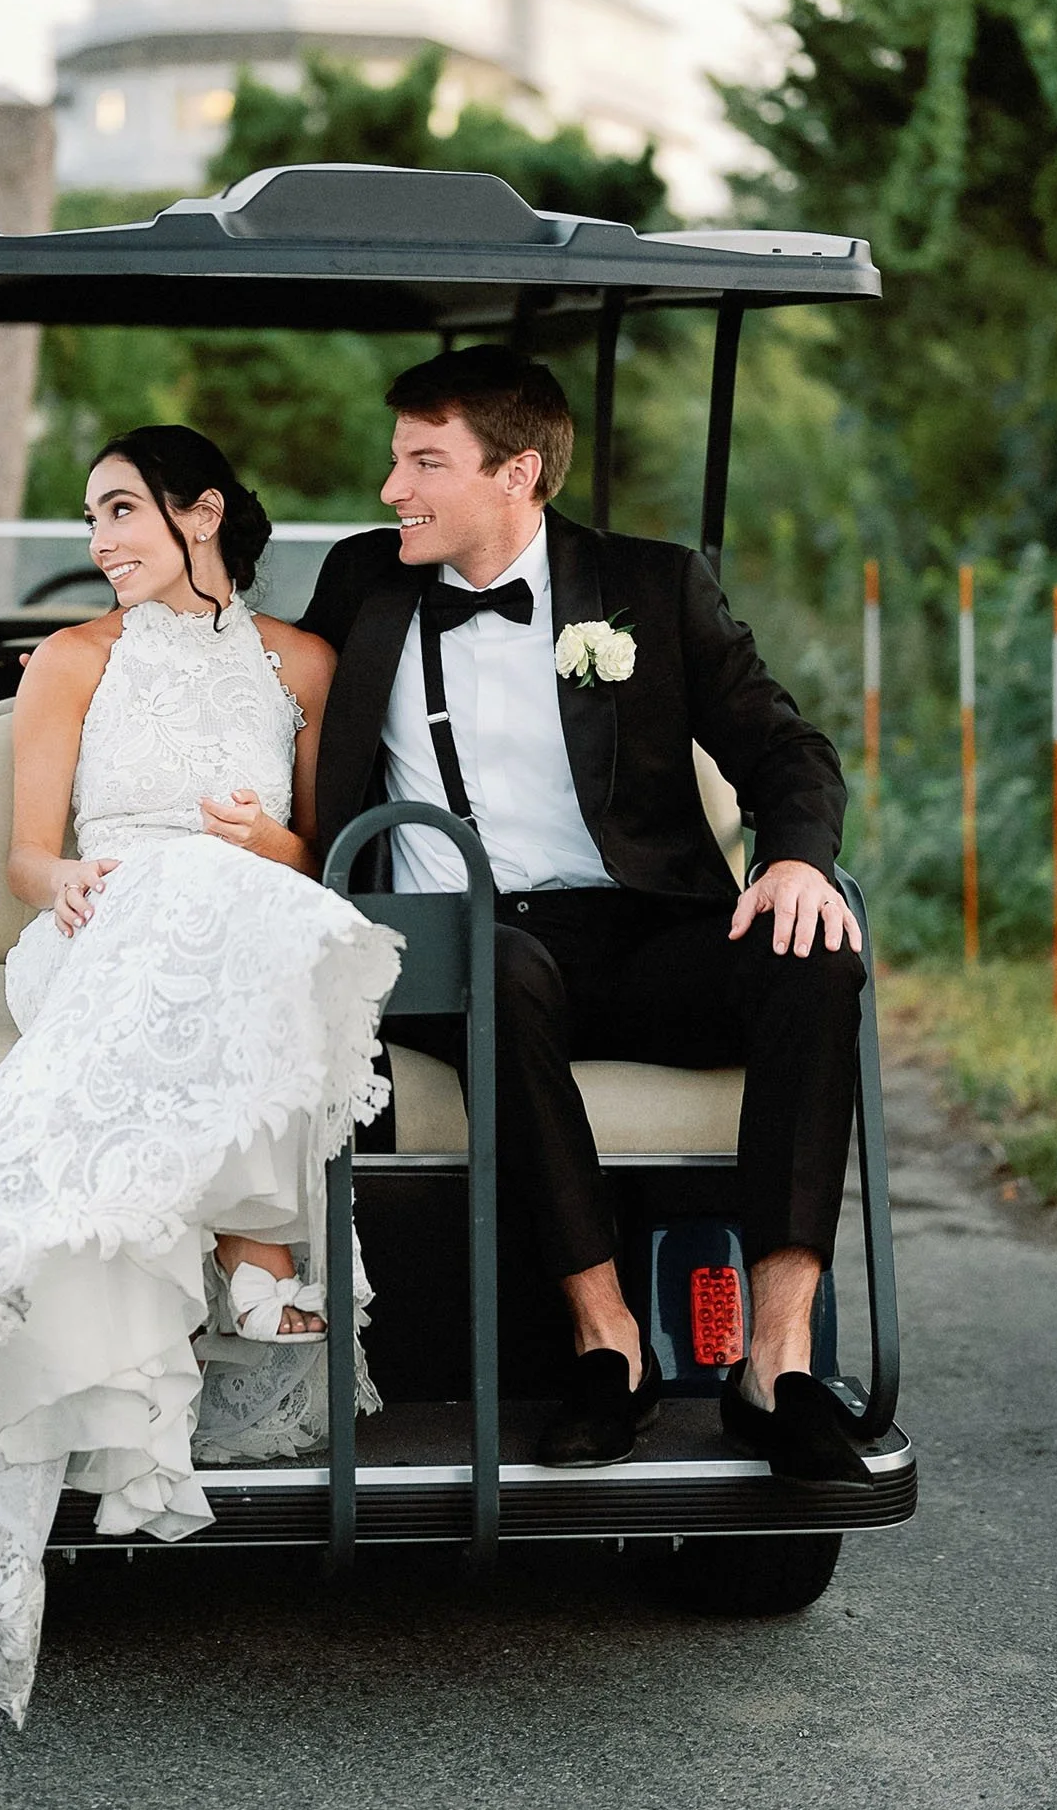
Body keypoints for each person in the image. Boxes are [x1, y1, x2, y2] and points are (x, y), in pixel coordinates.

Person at [0, 427, 402, 1726]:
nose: (98, 543)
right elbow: (31, 860)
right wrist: (74, 880)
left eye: (119, 512)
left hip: (245, 917)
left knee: (268, 920)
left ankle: (245, 1273)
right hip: (99, 932)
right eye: (90, 519)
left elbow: (320, 853)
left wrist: (270, 840)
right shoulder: (69, 662)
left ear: (201, 514)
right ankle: (261, 1270)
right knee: (186, 911)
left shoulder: (304, 665)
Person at [301, 346, 871, 1479]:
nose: (391, 488)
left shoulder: (653, 588)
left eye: (424, 461)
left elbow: (784, 746)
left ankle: (778, 1360)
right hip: (452, 944)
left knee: (817, 958)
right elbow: (263, 685)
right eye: (396, 457)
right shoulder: (364, 581)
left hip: (640, 930)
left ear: (518, 474)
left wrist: (798, 859)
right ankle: (607, 1346)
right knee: (496, 961)